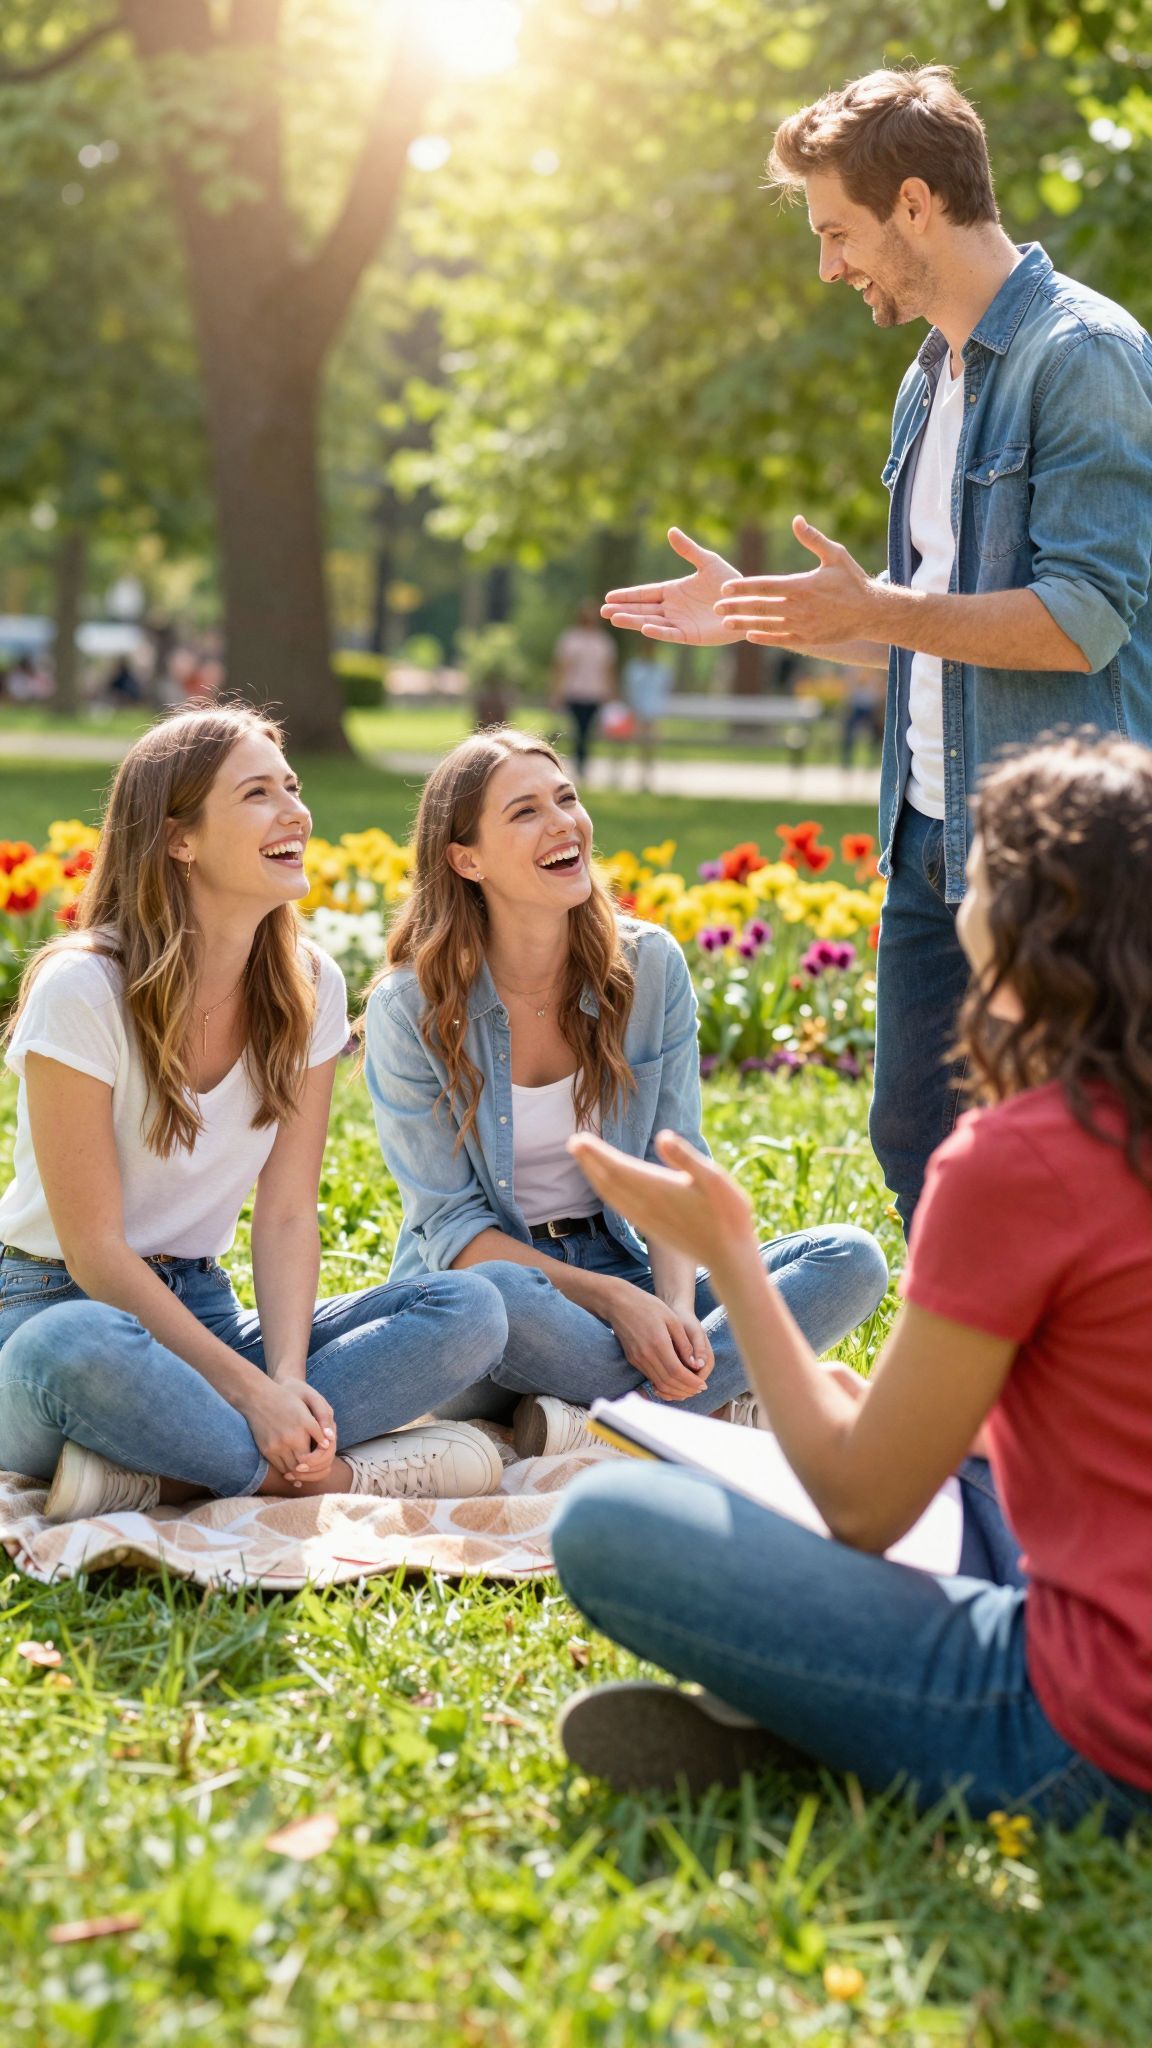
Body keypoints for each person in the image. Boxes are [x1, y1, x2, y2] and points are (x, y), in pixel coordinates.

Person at [551, 735, 1152, 1833]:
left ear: (1033, 924)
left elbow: (862, 1506)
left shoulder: (1022, 1158)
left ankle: (834, 1725)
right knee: (962, 1469)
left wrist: (733, 1256)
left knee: (605, 1520)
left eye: (979, 870)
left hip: (1093, 1732)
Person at [601, 65, 1152, 1232]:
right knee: (915, 1141)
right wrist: (765, 612)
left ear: (915, 203)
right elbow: (925, 629)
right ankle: (960, 1359)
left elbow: (1082, 619)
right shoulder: (927, 377)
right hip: (927, 834)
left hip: (1058, 857)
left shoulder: (1083, 355)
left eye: (837, 231)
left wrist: (883, 609)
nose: (829, 267)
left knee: (1073, 1162)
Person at [0, 706, 512, 1523]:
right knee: (75, 1347)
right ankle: (326, 1476)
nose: (295, 812)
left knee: (473, 1307)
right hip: (55, 1305)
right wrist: (250, 1394)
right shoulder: (84, 988)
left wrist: (285, 1380)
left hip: (201, 1307)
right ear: (179, 839)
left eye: (292, 787)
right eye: (257, 794)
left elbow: (286, 1215)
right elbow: (95, 1253)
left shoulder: (308, 985)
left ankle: (167, 1473)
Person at [361, 727, 887, 1460]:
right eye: (525, 812)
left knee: (850, 1259)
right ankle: (701, 1409)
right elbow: (453, 1234)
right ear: (466, 859)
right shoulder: (409, 1009)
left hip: (626, 1262)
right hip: (495, 1305)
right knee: (497, 1298)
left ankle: (597, 1421)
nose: (563, 823)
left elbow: (675, 1166)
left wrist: (674, 1310)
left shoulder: (649, 966)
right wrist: (619, 1304)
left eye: (566, 799)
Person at [549, 600, 617, 775]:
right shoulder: (571, 639)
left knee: (587, 731)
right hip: (575, 692)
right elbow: (562, 667)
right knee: (577, 730)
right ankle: (578, 762)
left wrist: (610, 693)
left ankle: (582, 762)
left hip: (595, 693)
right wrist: (557, 692)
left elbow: (607, 669)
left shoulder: (603, 642)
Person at [621, 649, 673, 790]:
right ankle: (635, 776)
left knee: (649, 746)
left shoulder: (660, 670)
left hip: (652, 712)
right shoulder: (635, 668)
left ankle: (646, 776)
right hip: (637, 712)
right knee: (636, 743)